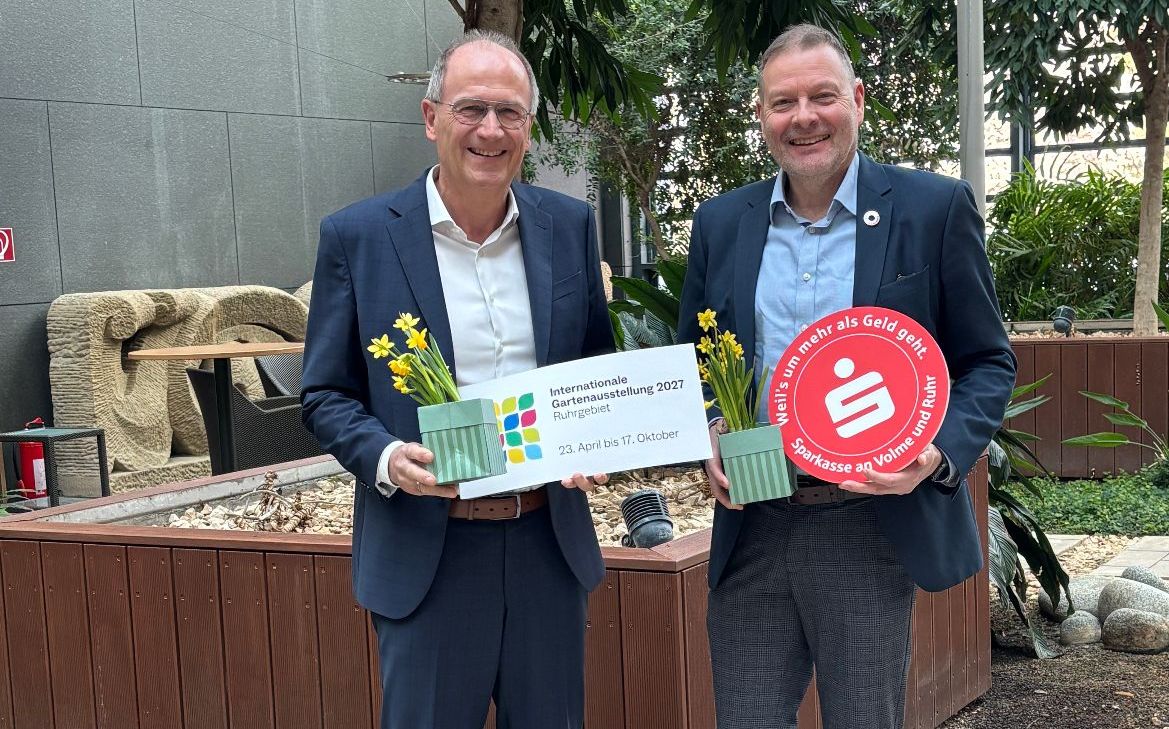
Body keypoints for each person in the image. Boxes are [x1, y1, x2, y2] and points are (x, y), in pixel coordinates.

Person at [676, 23, 1016, 729]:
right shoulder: (720, 223)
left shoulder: (931, 209)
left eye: (822, 96)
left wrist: (935, 452)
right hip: (753, 524)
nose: (803, 117)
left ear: (856, 100)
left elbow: (988, 361)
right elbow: (695, 364)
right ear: (761, 116)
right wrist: (709, 425)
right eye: (782, 102)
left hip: (867, 524)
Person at [301, 30, 614, 729]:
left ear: (529, 129)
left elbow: (594, 363)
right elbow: (324, 392)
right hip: (427, 553)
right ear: (430, 117)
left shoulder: (568, 225)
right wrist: (385, 457)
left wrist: (596, 439)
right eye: (471, 109)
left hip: (546, 547)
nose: (490, 130)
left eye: (510, 114)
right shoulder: (358, 237)